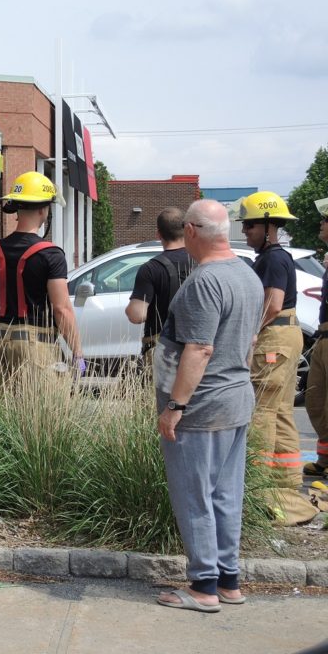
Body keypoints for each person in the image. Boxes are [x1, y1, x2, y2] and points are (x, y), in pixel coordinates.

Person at [154, 199, 263, 613]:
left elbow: (199, 348)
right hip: (235, 400)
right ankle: (228, 581)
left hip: (202, 408)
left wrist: (175, 407)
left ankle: (203, 588)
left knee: (194, 495)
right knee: (225, 495)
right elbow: (249, 340)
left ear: (193, 231)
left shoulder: (205, 281)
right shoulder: (246, 275)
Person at [235, 191, 319, 525]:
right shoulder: (275, 257)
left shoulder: (272, 258)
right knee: (282, 411)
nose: (245, 232)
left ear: (270, 226)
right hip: (286, 337)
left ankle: (255, 487)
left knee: (262, 411)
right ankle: (285, 486)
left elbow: (272, 304)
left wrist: (249, 334)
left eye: (250, 226)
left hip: (274, 338)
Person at [0, 171, 83, 386]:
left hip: (0, 344)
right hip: (37, 351)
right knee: (40, 415)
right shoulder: (51, 255)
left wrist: (1, 334)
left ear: (17, 207)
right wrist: (77, 352)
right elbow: (62, 309)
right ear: (42, 209)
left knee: (0, 414)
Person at [125, 207, 194, 375]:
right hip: (197, 348)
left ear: (158, 234)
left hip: (161, 348)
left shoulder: (150, 269)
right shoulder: (202, 262)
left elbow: (137, 315)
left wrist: (130, 307)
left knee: (159, 399)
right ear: (186, 230)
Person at [303, 197, 328, 478]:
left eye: (325, 219)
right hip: (323, 337)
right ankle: (324, 460)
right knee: (316, 401)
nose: (321, 223)